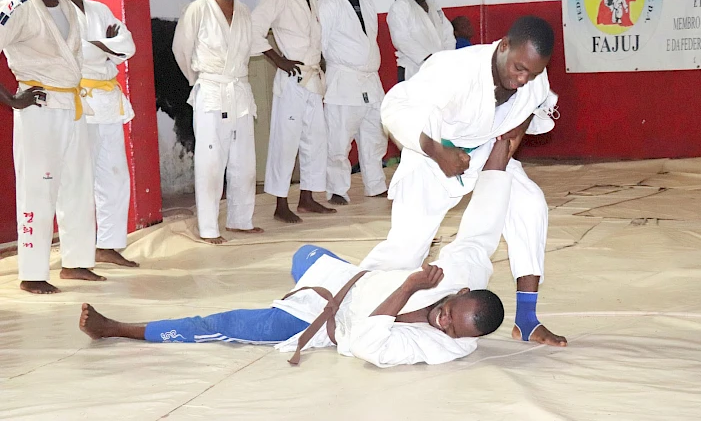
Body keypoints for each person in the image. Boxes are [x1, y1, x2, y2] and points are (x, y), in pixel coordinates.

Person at [78, 139, 521, 368]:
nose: (441, 322)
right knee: (304, 253)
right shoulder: (461, 272)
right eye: (447, 312)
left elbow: (368, 343)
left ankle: (118, 329)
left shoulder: (442, 348)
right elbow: (483, 227)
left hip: (327, 319)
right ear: (461, 292)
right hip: (352, 279)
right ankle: (309, 284)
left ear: (465, 341)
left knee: (224, 324)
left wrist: (409, 286)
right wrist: (502, 150)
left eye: (451, 329)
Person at [360, 16, 567, 347]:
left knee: (529, 204)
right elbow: (395, 108)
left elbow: (538, 106)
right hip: (432, 156)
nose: (522, 78)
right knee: (406, 249)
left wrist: (516, 130)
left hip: (485, 151)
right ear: (503, 47)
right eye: (518, 68)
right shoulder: (453, 69)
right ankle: (351, 301)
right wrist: (437, 150)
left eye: (532, 72)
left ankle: (527, 320)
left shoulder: (533, 81)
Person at [0, 0, 102, 294]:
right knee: (38, 190)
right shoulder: (17, 8)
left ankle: (75, 263)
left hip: (71, 106)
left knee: (77, 185)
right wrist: (12, 100)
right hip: (38, 108)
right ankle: (31, 273)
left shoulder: (67, 7)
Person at [172, 0, 263, 244]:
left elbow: (249, 49)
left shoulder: (245, 11)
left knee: (244, 160)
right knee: (211, 162)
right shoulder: (197, 10)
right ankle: (209, 227)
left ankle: (240, 219)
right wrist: (199, 81)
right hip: (211, 89)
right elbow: (181, 50)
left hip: (239, 90)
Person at [60, 0, 138, 267]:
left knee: (115, 177)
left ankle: (108, 244)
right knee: (79, 180)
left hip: (107, 103)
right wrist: (106, 46)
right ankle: (77, 252)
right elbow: (76, 53)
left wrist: (101, 45)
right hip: (78, 103)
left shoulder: (100, 9)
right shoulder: (56, 13)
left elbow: (128, 46)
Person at [252, 0, 335, 223]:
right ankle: (280, 203)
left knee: (315, 140)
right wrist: (279, 60)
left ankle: (308, 198)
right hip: (292, 80)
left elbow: (313, 38)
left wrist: (319, 58)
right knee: (285, 142)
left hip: (312, 79)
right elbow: (254, 29)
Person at [319, 0, 387, 206]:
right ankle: (337, 189)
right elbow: (321, 44)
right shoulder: (328, 5)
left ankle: (375, 184)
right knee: (339, 139)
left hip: (370, 80)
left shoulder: (367, 3)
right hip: (343, 80)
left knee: (374, 134)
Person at [387, 0, 455, 82]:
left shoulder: (434, 6)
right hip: (414, 69)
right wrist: (428, 58)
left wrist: (445, 58)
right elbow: (402, 40)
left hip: (439, 68)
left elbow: (448, 34)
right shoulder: (400, 6)